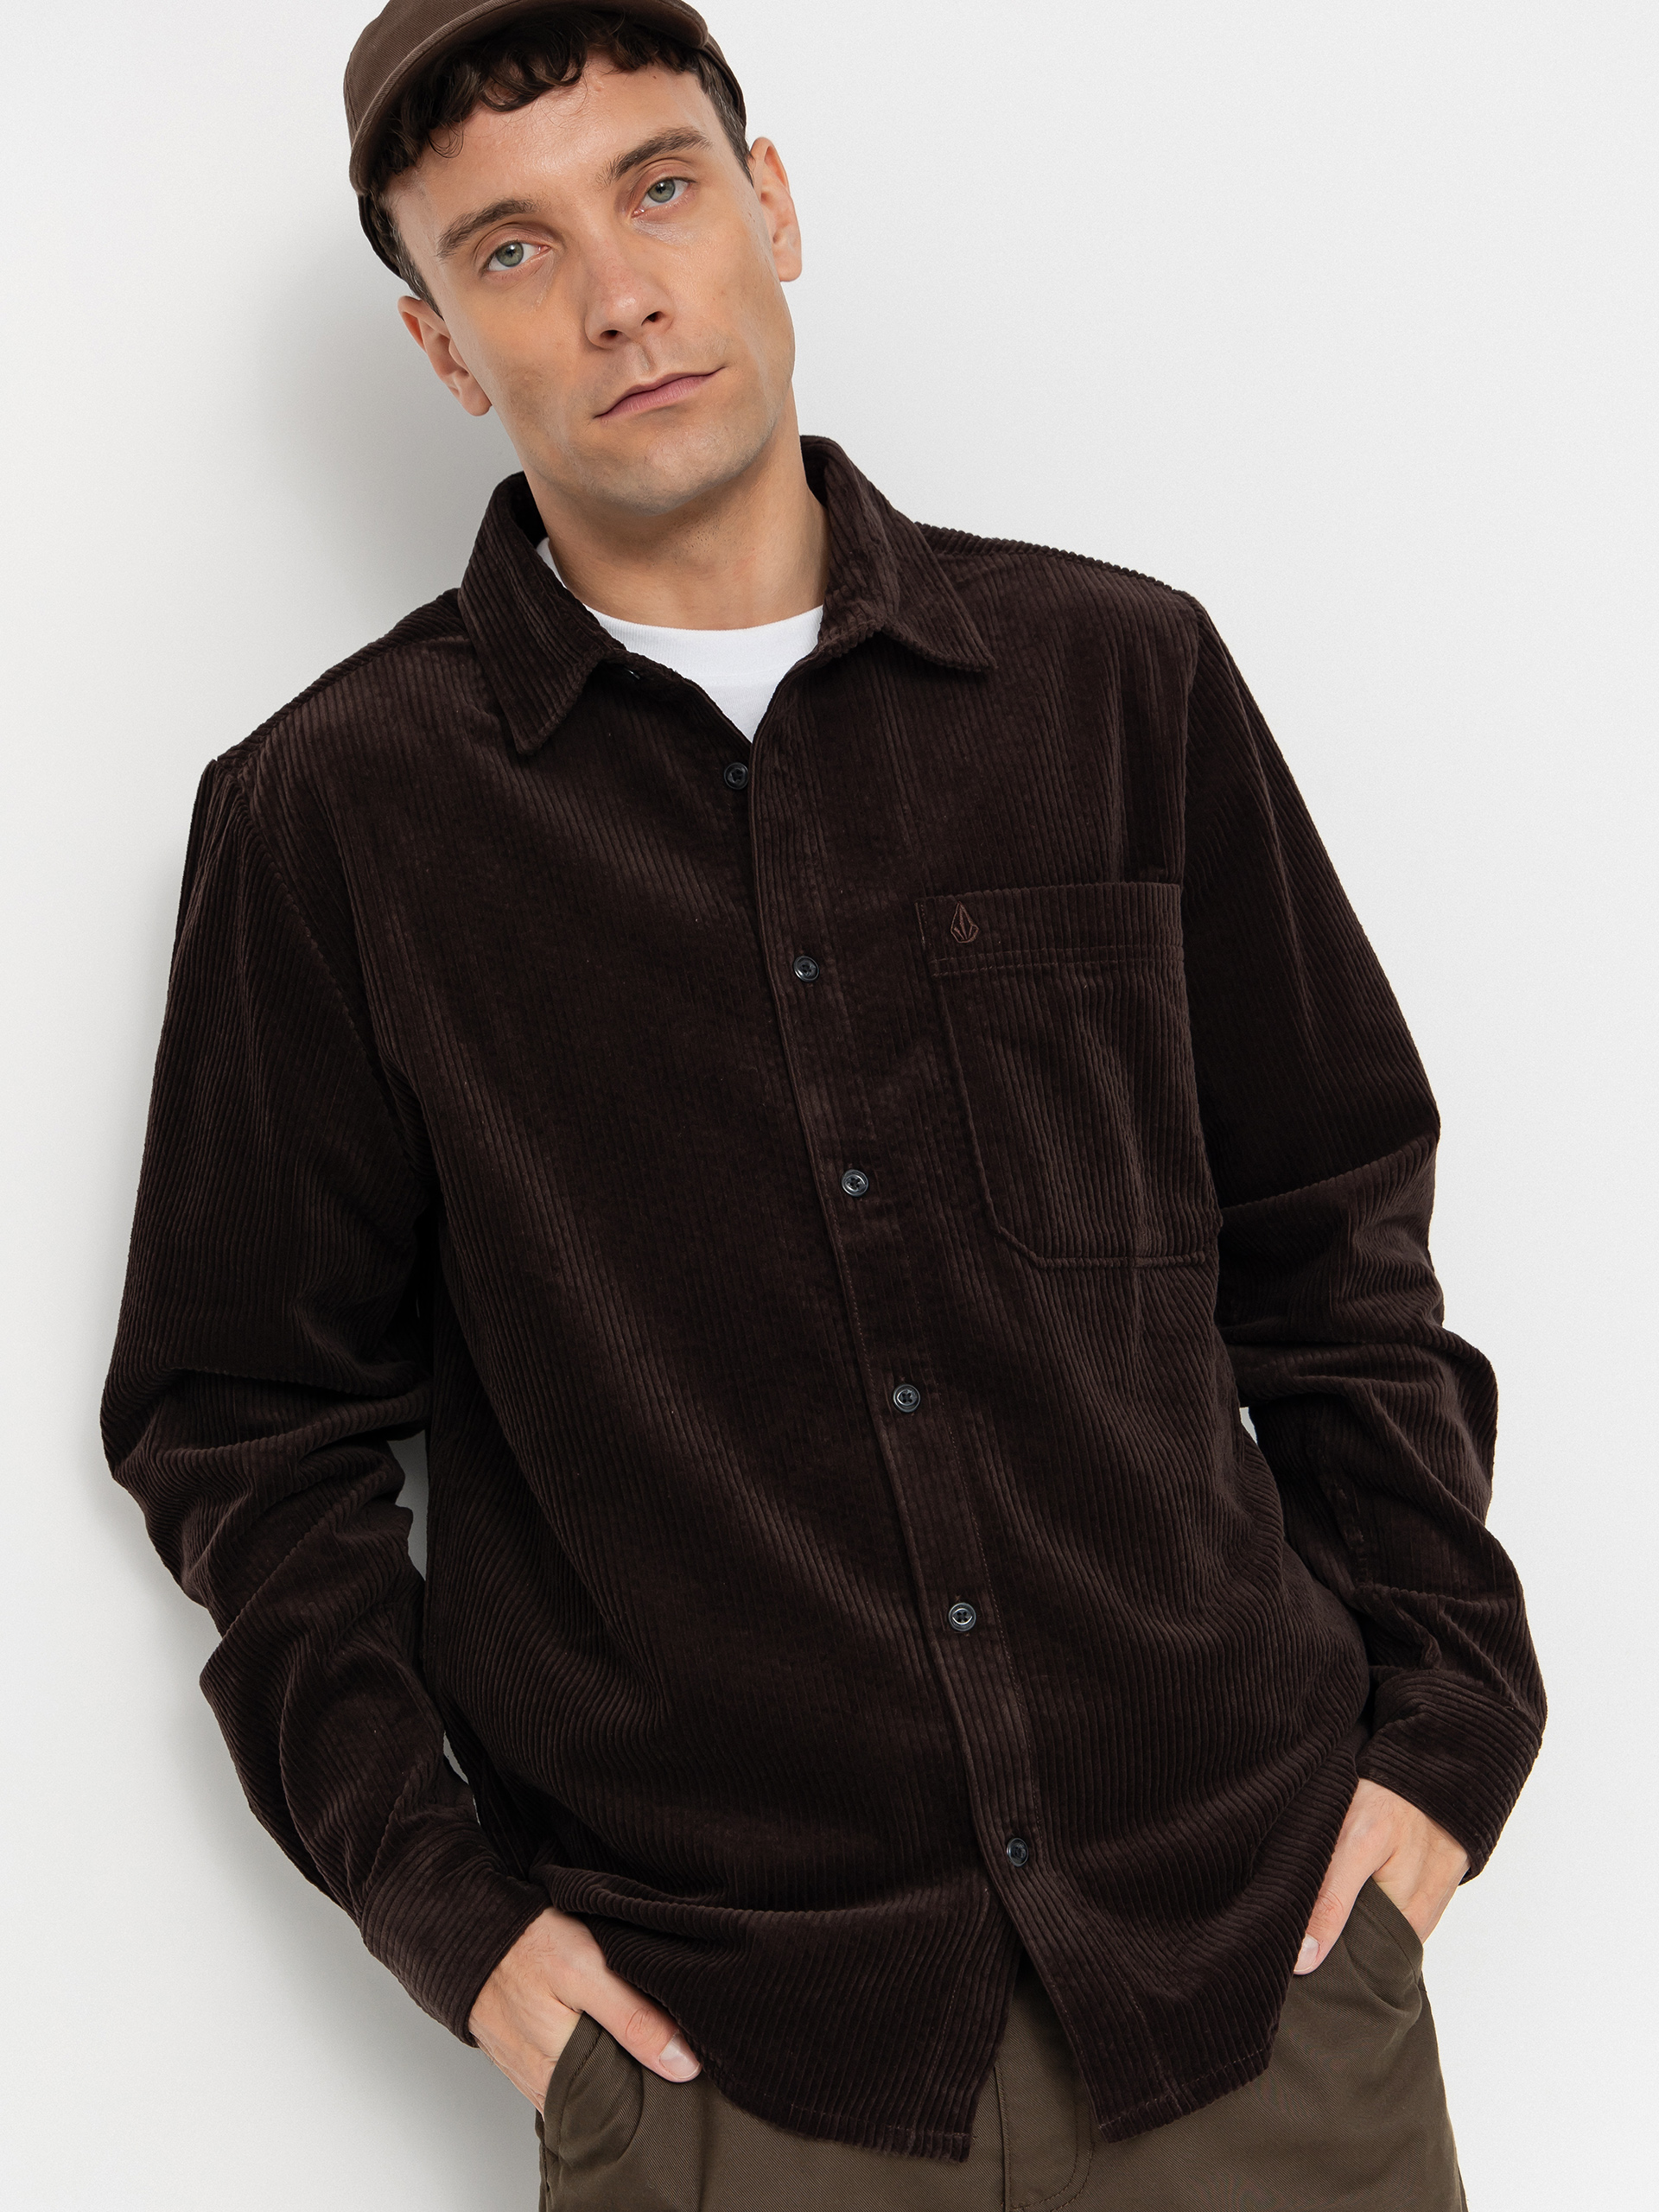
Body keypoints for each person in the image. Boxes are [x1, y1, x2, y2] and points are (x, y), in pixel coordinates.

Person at [100, 4, 1546, 2205]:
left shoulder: (1115, 682)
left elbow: (1334, 1229)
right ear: (437, 342)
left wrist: (1449, 1718)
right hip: (734, 2058)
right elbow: (244, 1425)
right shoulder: (336, 822)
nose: (618, 294)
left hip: (1251, 1976)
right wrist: (455, 1920)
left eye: (661, 187)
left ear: (770, 207)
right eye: (511, 249)